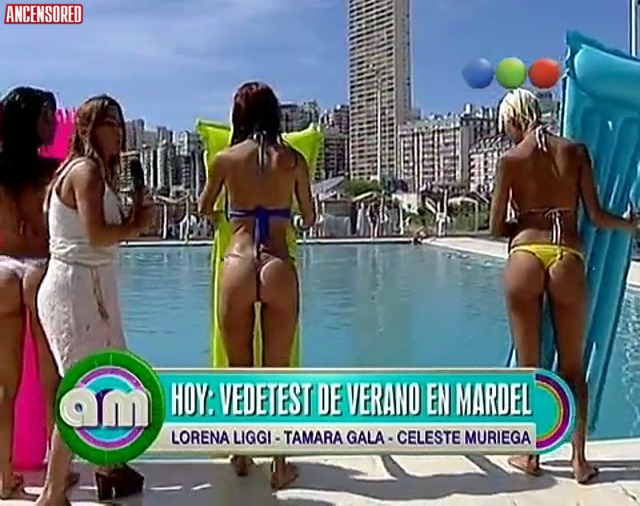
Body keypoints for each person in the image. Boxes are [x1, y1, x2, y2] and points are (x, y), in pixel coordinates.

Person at [490, 89, 636, 484]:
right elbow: (597, 215)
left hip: (525, 256)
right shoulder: (575, 151)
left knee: (529, 368)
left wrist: (525, 222)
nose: (506, 133)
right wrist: (629, 224)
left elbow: (496, 226)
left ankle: (530, 454)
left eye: (506, 126)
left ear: (514, 119)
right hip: (567, 257)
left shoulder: (510, 160)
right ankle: (579, 461)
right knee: (573, 367)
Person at [34, 95, 153, 506]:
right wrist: (135, 225)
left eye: (120, 124)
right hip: (75, 290)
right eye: (109, 123)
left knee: (110, 379)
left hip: (91, 288)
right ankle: (52, 492)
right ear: (88, 128)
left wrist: (134, 215)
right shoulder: (85, 172)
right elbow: (97, 235)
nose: (118, 132)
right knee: (83, 388)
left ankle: (108, 467)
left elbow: (99, 235)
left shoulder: (93, 172)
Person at [198, 82, 315, 490]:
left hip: (238, 261)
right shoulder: (294, 160)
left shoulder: (226, 159)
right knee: (278, 371)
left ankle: (242, 453)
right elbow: (310, 216)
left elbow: (204, 207)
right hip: (277, 263)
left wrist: (226, 220)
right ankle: (280, 464)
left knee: (239, 368)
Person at [0, 86, 70, 500]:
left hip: (1, 270)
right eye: (47, 115)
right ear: (33, 123)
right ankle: (54, 475)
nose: (52, 123)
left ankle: (3, 475)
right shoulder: (54, 171)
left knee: (3, 385)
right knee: (52, 382)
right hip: (41, 271)